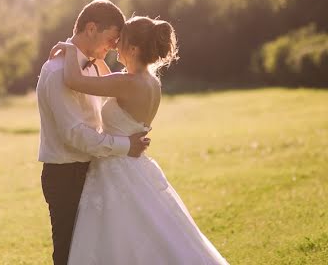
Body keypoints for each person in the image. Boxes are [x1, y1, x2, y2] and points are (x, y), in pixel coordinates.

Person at [53, 15, 229, 264]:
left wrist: (71, 48)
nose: (115, 45)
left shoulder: (127, 82)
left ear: (133, 49)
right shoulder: (150, 83)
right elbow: (109, 83)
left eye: (120, 41)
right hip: (136, 165)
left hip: (115, 167)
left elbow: (74, 81)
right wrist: (99, 59)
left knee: (120, 236)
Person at [35, 0, 151, 265]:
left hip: (94, 168)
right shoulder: (56, 71)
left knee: (98, 252)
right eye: (111, 39)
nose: (114, 47)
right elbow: (75, 134)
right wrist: (125, 145)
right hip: (67, 174)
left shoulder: (94, 66)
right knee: (70, 254)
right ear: (91, 29)